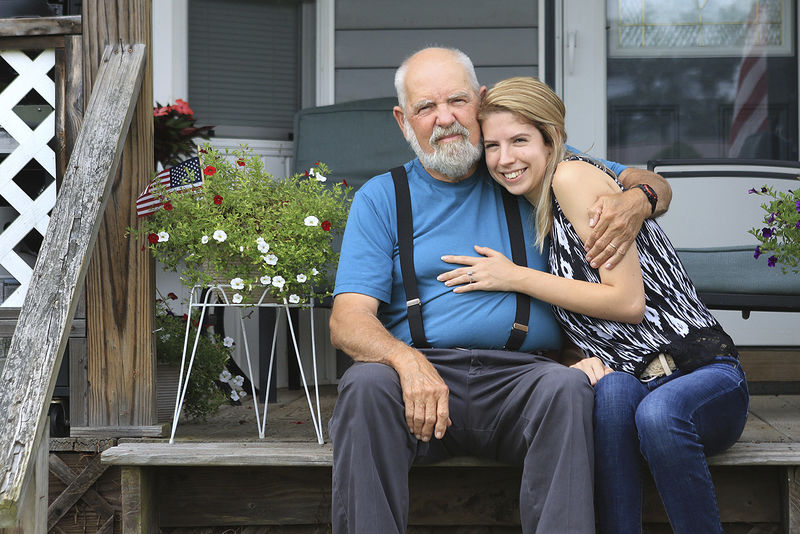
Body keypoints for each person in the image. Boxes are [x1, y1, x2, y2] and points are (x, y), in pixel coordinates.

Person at [328, 47, 668, 534]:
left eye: (457, 101)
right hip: (419, 382)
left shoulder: (524, 169)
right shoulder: (382, 198)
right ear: (404, 120)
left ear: (480, 102)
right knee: (363, 386)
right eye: (426, 107)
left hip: (524, 379)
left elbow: (644, 179)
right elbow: (347, 320)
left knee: (567, 388)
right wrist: (406, 362)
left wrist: (639, 198)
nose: (444, 118)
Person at [438, 76, 749, 534]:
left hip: (702, 374)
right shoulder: (537, 204)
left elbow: (627, 303)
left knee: (657, 415)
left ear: (551, 140)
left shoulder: (571, 177)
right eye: (492, 146)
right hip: (634, 378)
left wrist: (515, 277)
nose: (505, 159)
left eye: (520, 140)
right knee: (611, 395)